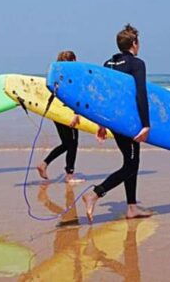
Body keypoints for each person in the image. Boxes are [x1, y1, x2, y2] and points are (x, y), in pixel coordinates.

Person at [82, 24, 153, 223]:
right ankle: (95, 193)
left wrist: (101, 123)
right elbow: (141, 94)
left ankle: (132, 208)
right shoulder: (137, 64)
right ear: (134, 43)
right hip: (129, 122)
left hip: (114, 121)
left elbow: (104, 97)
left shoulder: (108, 64)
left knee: (130, 162)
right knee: (131, 165)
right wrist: (146, 124)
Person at [36, 51, 84, 184]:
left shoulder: (55, 76)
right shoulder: (71, 76)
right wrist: (76, 114)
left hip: (57, 114)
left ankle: (44, 164)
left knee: (66, 144)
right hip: (68, 113)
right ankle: (69, 176)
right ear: (73, 61)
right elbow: (74, 97)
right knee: (72, 144)